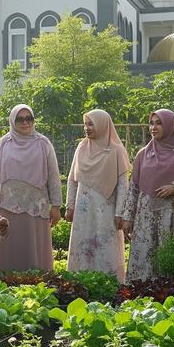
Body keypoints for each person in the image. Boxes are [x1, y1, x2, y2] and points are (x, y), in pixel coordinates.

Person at [122, 109, 174, 281]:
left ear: (170, 126)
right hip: (145, 215)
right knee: (145, 257)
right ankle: (142, 295)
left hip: (172, 216)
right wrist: (128, 217)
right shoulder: (143, 154)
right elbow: (134, 188)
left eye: (159, 123)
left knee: (170, 258)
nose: (153, 127)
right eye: (151, 123)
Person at [0, 104, 64, 272]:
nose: (25, 123)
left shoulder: (43, 143)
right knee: (10, 250)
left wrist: (56, 205)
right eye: (20, 119)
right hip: (8, 208)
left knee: (35, 251)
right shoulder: (4, 143)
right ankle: (7, 284)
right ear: (13, 121)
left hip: (36, 208)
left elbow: (53, 176)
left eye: (29, 118)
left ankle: (38, 284)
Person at [64, 109, 129, 282]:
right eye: (85, 124)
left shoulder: (116, 150)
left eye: (91, 124)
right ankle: (79, 283)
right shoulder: (82, 147)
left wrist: (120, 212)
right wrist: (69, 206)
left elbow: (123, 185)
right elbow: (72, 179)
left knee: (105, 247)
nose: (87, 128)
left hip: (106, 211)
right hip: (83, 211)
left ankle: (108, 285)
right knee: (83, 246)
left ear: (102, 124)